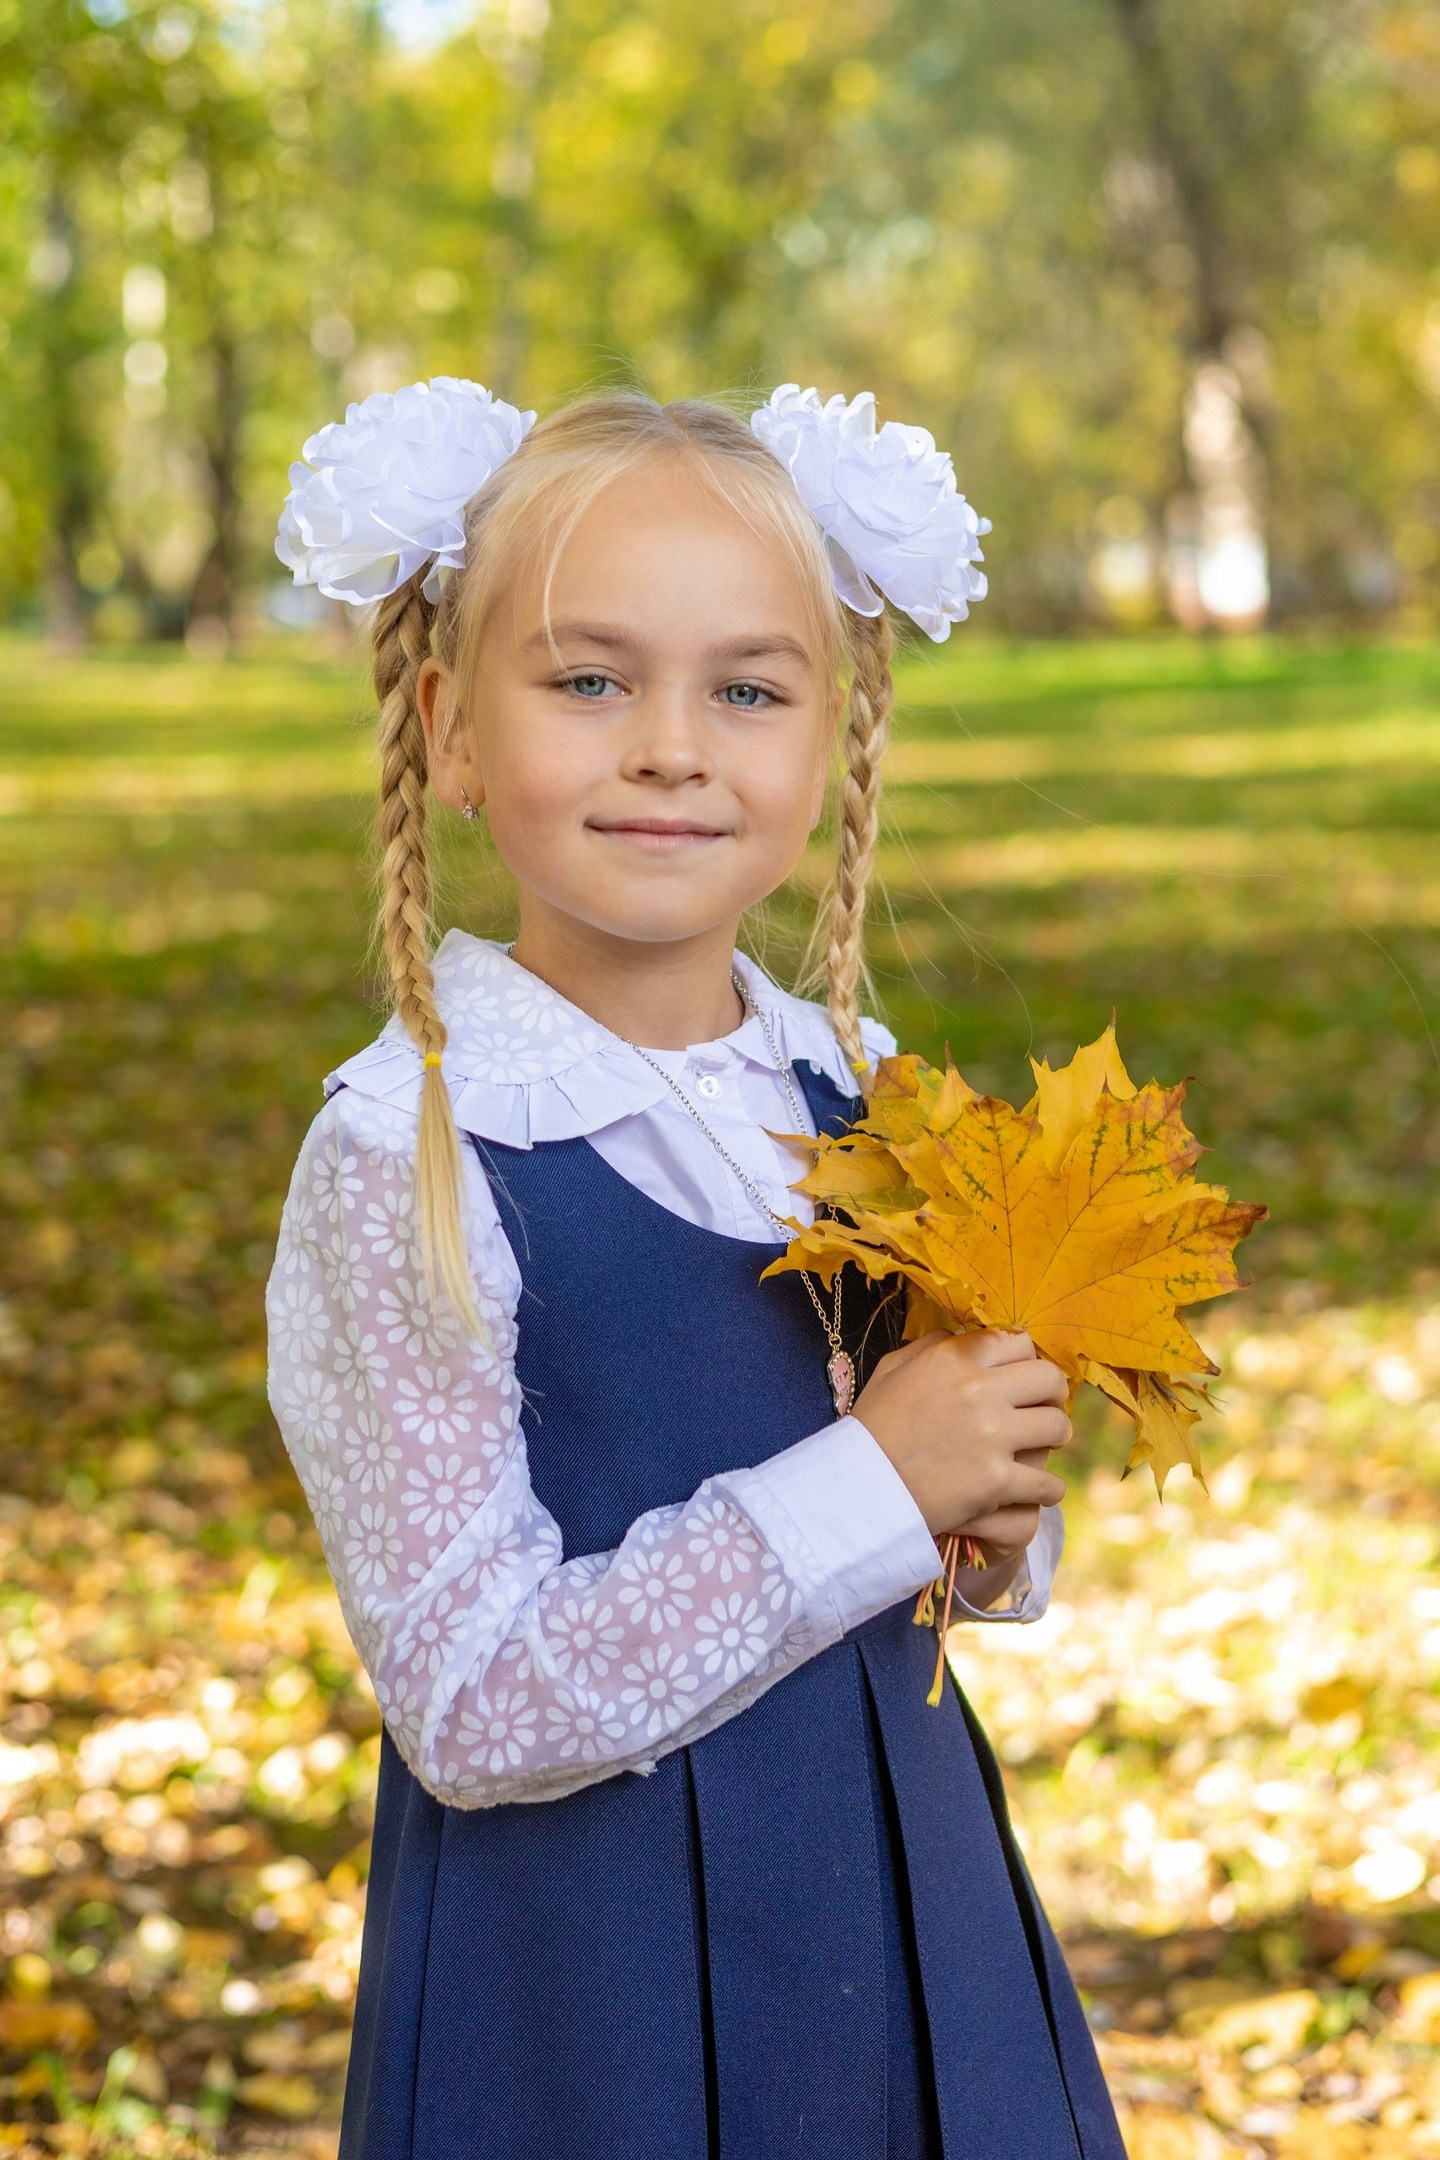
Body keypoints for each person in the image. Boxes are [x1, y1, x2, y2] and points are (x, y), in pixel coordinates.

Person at [267, 378, 1126, 2159]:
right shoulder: (409, 1154)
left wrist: (986, 1503)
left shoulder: (861, 1087)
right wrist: (871, 1482)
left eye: (747, 688)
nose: (674, 744)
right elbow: (471, 1694)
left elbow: (950, 1543)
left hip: (896, 1916)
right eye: (589, 681)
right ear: (447, 726)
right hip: (589, 1993)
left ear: (829, 738)